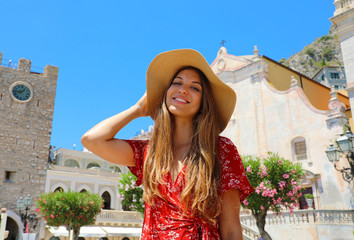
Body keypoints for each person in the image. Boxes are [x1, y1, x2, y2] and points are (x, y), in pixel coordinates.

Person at [81, 49, 253, 240]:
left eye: (195, 87)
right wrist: (137, 109)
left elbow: (231, 230)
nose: (183, 89)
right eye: (177, 83)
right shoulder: (148, 152)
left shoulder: (221, 150)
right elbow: (91, 140)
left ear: (204, 102)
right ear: (166, 93)